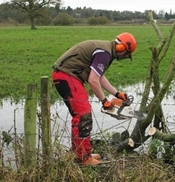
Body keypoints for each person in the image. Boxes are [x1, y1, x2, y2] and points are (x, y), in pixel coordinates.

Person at [52, 32, 137, 166]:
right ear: (121, 47)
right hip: (66, 75)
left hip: (66, 75)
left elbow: (99, 76)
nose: (124, 57)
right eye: (126, 53)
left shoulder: (105, 51)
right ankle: (83, 158)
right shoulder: (104, 53)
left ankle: (78, 152)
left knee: (80, 115)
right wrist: (104, 101)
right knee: (83, 114)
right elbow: (93, 80)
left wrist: (116, 93)